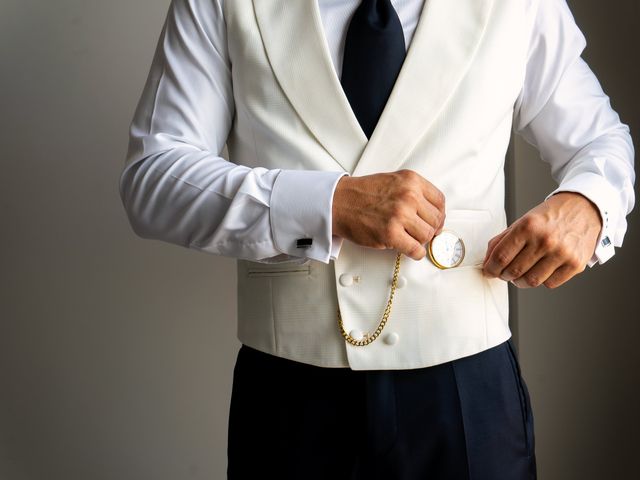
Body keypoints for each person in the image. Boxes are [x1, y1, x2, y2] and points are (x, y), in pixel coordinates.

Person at [118, 0, 635, 478]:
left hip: (466, 395)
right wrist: (327, 203)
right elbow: (154, 177)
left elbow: (599, 141)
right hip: (289, 397)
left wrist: (589, 204)